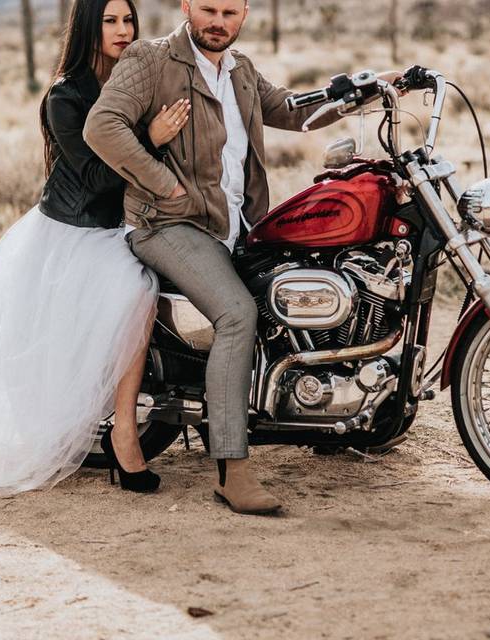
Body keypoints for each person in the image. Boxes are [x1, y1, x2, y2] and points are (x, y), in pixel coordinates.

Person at [84, 0, 402, 514]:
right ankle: (233, 470)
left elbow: (298, 112)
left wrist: (371, 88)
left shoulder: (242, 71)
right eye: (207, 8)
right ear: (187, 5)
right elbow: (102, 127)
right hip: (167, 224)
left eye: (230, 12)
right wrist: (163, 183)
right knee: (238, 315)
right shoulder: (151, 59)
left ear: (246, 13)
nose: (218, 22)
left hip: (234, 227)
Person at [0, 0, 186, 496]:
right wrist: (152, 137)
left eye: (128, 21)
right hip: (74, 233)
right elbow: (96, 178)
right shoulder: (66, 95)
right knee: (137, 292)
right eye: (110, 21)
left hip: (119, 225)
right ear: (86, 27)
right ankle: (124, 435)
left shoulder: (130, 80)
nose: (123, 31)